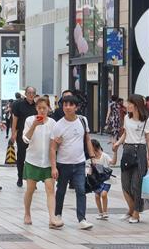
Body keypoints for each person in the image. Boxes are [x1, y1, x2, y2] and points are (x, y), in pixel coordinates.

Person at [50, 94, 94, 230]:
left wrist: (92, 157)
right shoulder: (58, 125)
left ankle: (82, 219)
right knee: (61, 190)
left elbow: (87, 139)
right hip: (63, 164)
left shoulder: (83, 120)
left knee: (81, 190)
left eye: (70, 105)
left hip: (80, 163)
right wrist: (53, 167)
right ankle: (57, 215)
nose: (67, 107)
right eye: (65, 105)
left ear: (76, 107)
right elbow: (52, 148)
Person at [112, 94, 149, 224]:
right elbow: (125, 134)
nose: (127, 105)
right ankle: (131, 210)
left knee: (137, 185)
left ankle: (136, 214)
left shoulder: (146, 120)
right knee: (125, 184)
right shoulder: (126, 118)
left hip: (140, 151)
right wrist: (118, 143)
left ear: (136, 105)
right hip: (127, 151)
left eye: (129, 103)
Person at [21, 96, 56, 226]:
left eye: (44, 108)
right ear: (36, 108)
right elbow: (26, 139)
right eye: (39, 108)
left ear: (48, 108)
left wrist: (54, 165)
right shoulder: (30, 120)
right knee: (30, 189)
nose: (42, 110)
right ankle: (27, 213)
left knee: (50, 188)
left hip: (47, 162)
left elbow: (55, 142)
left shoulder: (53, 123)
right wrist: (35, 125)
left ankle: (52, 218)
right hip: (32, 161)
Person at [10, 86, 38, 187]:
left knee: (33, 158)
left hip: (35, 136)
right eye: (29, 92)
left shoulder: (37, 106)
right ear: (25, 94)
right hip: (22, 135)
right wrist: (13, 134)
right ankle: (20, 177)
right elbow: (15, 120)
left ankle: (32, 180)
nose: (31, 95)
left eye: (33, 93)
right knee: (21, 157)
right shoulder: (18, 105)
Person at [88, 139, 114, 221]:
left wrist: (115, 152)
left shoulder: (105, 156)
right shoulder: (92, 158)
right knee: (97, 195)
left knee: (103, 194)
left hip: (106, 179)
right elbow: (91, 168)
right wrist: (88, 176)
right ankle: (100, 212)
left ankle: (105, 212)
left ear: (95, 147)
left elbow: (112, 162)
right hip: (97, 180)